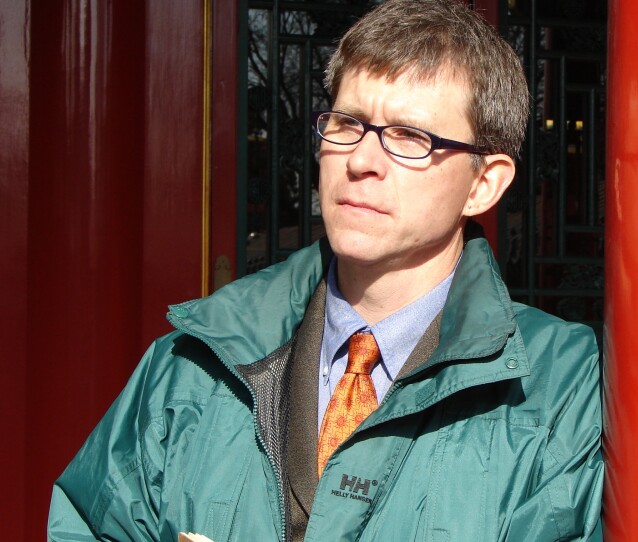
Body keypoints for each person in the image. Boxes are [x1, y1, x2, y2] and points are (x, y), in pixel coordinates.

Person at [48, 0, 603, 540]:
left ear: (484, 183)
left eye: (409, 137)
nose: (361, 161)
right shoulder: (195, 361)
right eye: (347, 124)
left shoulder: (553, 386)